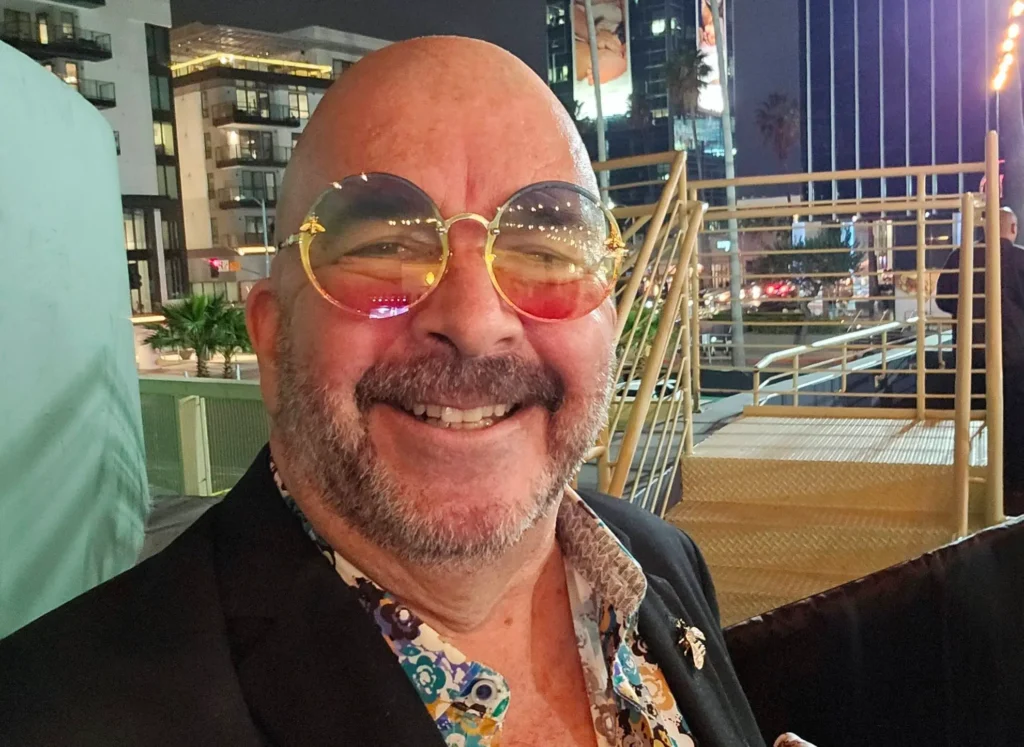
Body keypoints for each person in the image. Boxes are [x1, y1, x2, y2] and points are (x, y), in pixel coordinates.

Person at [0, 38, 813, 747]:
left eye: (542, 246)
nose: (474, 321)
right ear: (273, 335)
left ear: (606, 312)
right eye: (385, 245)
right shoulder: (59, 713)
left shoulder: (663, 562)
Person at [936, 206, 1024, 514]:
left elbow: (943, 299)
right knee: (1014, 425)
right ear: (1012, 229)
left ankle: (967, 484)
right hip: (1014, 359)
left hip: (970, 357)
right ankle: (1011, 491)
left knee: (969, 420)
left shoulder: (960, 257)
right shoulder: (1020, 260)